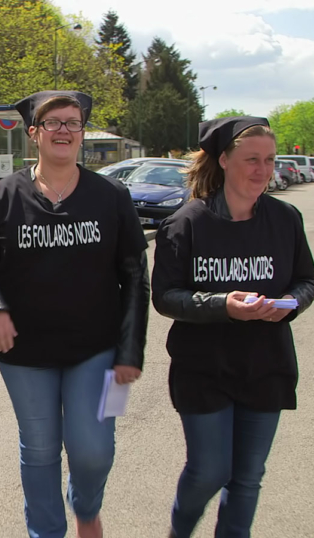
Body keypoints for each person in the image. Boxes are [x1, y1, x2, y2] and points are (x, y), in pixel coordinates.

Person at [0, 90, 150, 538]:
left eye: (73, 123)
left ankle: (86, 506)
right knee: (41, 450)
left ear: (83, 134)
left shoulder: (111, 195)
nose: (64, 130)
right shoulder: (4, 195)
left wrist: (131, 351)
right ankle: (46, 533)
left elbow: (135, 276)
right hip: (24, 352)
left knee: (94, 449)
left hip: (99, 349)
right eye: (53, 123)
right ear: (34, 134)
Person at [151, 117, 314, 538]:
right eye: (251, 160)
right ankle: (179, 531)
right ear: (224, 160)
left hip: (267, 364)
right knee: (209, 471)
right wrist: (224, 305)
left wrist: (291, 303)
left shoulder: (285, 219)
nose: (262, 170)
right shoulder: (186, 223)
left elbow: (307, 280)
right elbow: (166, 297)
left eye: (269, 160)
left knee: (246, 478)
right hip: (203, 368)